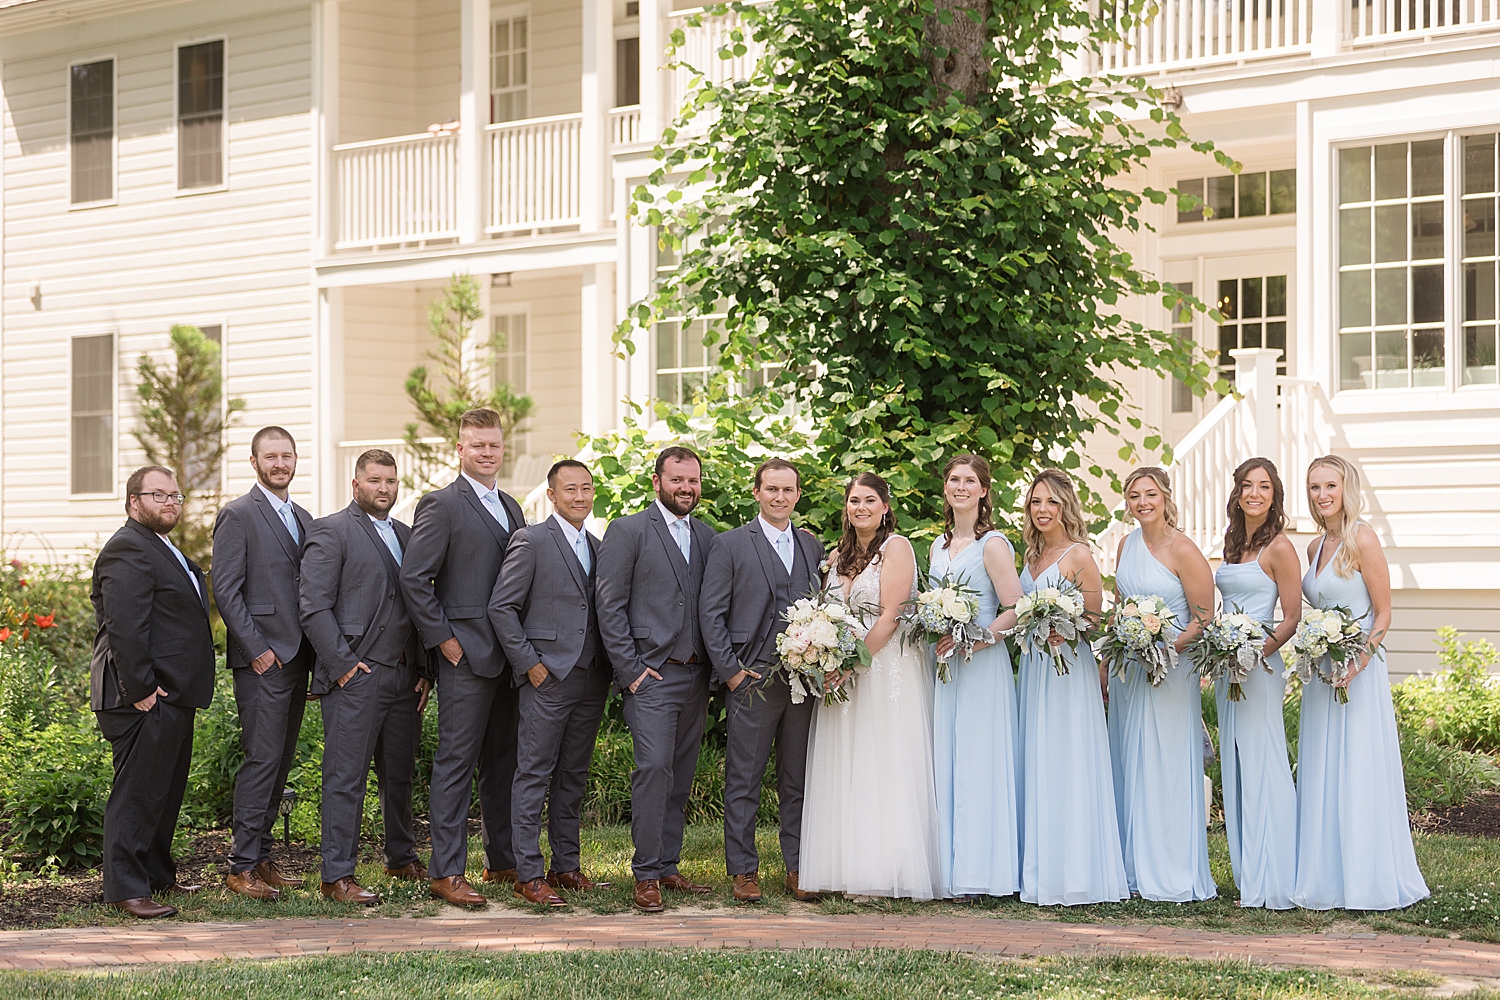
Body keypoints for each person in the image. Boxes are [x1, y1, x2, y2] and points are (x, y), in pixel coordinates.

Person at [401, 408, 527, 909]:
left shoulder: (514, 507)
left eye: (494, 445)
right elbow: (415, 579)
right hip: (464, 656)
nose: (487, 453)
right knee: (455, 763)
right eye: (477, 445)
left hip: (510, 658)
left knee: (504, 764)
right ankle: (446, 870)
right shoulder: (441, 505)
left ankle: (501, 861)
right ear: (459, 449)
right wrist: (443, 641)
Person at [1293, 455, 1428, 910]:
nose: (1322, 494)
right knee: (1324, 767)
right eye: (1314, 487)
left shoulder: (1362, 538)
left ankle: (1367, 878)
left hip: (1358, 672)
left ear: (1346, 488)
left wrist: (1359, 663)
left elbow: (1384, 613)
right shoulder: (1313, 549)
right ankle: (1326, 877)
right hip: (1322, 673)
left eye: (1330, 485)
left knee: (1357, 767)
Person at [800, 473, 942, 900]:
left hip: (884, 670)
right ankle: (843, 866)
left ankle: (886, 870)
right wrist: (821, 655)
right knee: (845, 761)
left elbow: (891, 616)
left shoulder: (895, 548)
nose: (860, 507)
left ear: (884, 506)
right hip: (841, 671)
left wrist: (850, 663)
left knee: (882, 762)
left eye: (869, 500)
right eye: (853, 501)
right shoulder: (837, 555)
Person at [299, 450, 430, 905]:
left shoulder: (408, 536)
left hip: (403, 677)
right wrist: (344, 666)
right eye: (375, 480)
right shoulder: (330, 531)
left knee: (400, 775)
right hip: (355, 676)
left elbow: (419, 608)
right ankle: (337, 875)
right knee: (345, 777)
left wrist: (424, 670)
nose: (384, 488)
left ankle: (400, 856)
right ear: (355, 485)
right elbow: (313, 606)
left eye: (391, 481)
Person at [595, 446, 718, 912]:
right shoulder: (627, 531)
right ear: (657, 482)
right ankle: (645, 874)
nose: (686, 488)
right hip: (651, 676)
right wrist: (630, 672)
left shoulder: (709, 538)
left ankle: (668, 864)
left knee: (681, 776)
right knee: (652, 770)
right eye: (677, 480)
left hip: (696, 675)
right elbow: (609, 604)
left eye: (693, 480)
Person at [90, 466, 215, 918]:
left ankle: (157, 877)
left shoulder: (162, 547)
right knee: (138, 793)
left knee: (163, 793)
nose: (168, 503)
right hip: (142, 696)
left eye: (174, 496)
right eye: (157, 495)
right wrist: (141, 688)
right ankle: (126, 889)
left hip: (173, 693)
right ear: (133, 502)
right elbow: (125, 624)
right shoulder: (127, 548)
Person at [700, 458, 825, 903]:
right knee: (744, 778)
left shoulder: (812, 546)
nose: (780, 497)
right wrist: (731, 672)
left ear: (797, 495)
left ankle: (798, 866)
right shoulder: (730, 545)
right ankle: (743, 870)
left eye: (788, 490)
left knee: (798, 779)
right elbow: (710, 614)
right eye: (772, 489)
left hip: (802, 683)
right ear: (757, 492)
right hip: (751, 680)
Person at [489, 460, 613, 908]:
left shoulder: (599, 547)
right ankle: (528, 873)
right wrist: (530, 665)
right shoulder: (531, 540)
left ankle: (566, 865)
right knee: (533, 774)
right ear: (551, 494)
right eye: (570, 489)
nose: (579, 497)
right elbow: (502, 608)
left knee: (573, 776)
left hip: (590, 678)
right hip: (546, 679)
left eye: (586, 488)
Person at [1015, 469, 1128, 906]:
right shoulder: (1030, 556)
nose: (1042, 510)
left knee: (1068, 758)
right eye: (1036, 502)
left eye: (1051, 503)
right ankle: (1039, 868)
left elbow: (1095, 619)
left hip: (1067, 668)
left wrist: (1066, 627)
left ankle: (1077, 871)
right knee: (1039, 757)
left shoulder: (1079, 554)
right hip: (1035, 668)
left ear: (1066, 507)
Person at [211, 426, 316, 901]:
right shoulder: (238, 515)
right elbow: (226, 591)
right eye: (270, 457)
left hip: (299, 659)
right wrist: (256, 650)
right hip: (263, 661)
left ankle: (262, 857)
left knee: (281, 761)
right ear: (254, 462)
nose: (280, 464)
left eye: (286, 456)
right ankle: (239, 867)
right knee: (261, 759)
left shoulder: (304, 517)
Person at [1108, 467, 1217, 902]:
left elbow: (1204, 617)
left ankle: (1171, 871)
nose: (1142, 502)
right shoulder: (1125, 545)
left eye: (1149, 494)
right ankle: (1134, 866)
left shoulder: (1183, 549)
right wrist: (1127, 634)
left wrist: (1166, 642)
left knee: (1165, 762)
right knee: (1132, 759)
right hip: (1131, 670)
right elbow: (1120, 604)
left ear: (1166, 496)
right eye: (1134, 496)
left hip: (1171, 671)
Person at [928, 455, 1023, 899]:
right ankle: (950, 870)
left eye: (970, 481)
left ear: (984, 490)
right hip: (947, 668)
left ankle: (983, 872)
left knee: (979, 762)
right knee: (949, 758)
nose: (961, 487)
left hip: (981, 666)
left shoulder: (993, 545)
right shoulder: (937, 547)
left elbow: (1015, 608)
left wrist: (977, 641)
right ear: (945, 488)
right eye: (954, 479)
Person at [1215, 458, 1300, 910]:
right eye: (1247, 485)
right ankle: (1250, 874)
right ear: (1238, 493)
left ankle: (1276, 879)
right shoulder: (1232, 543)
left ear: (1274, 495)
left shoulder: (1280, 548)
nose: (1254, 493)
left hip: (1260, 669)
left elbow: (1290, 618)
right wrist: (1225, 653)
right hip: (1229, 668)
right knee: (1237, 765)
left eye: (1263, 487)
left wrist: (1253, 654)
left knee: (1263, 762)